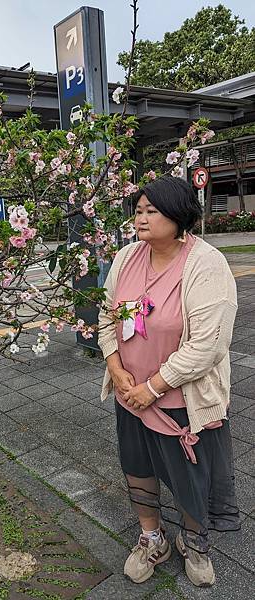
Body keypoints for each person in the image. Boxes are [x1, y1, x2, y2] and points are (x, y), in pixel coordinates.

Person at [98, 176, 240, 588]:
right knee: (137, 466)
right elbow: (109, 315)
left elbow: (208, 346)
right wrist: (115, 367)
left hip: (179, 400)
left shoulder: (206, 264)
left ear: (178, 217)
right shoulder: (127, 257)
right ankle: (151, 538)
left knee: (188, 477)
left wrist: (154, 386)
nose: (140, 218)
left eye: (151, 211)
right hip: (130, 394)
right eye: (138, 210)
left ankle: (194, 542)